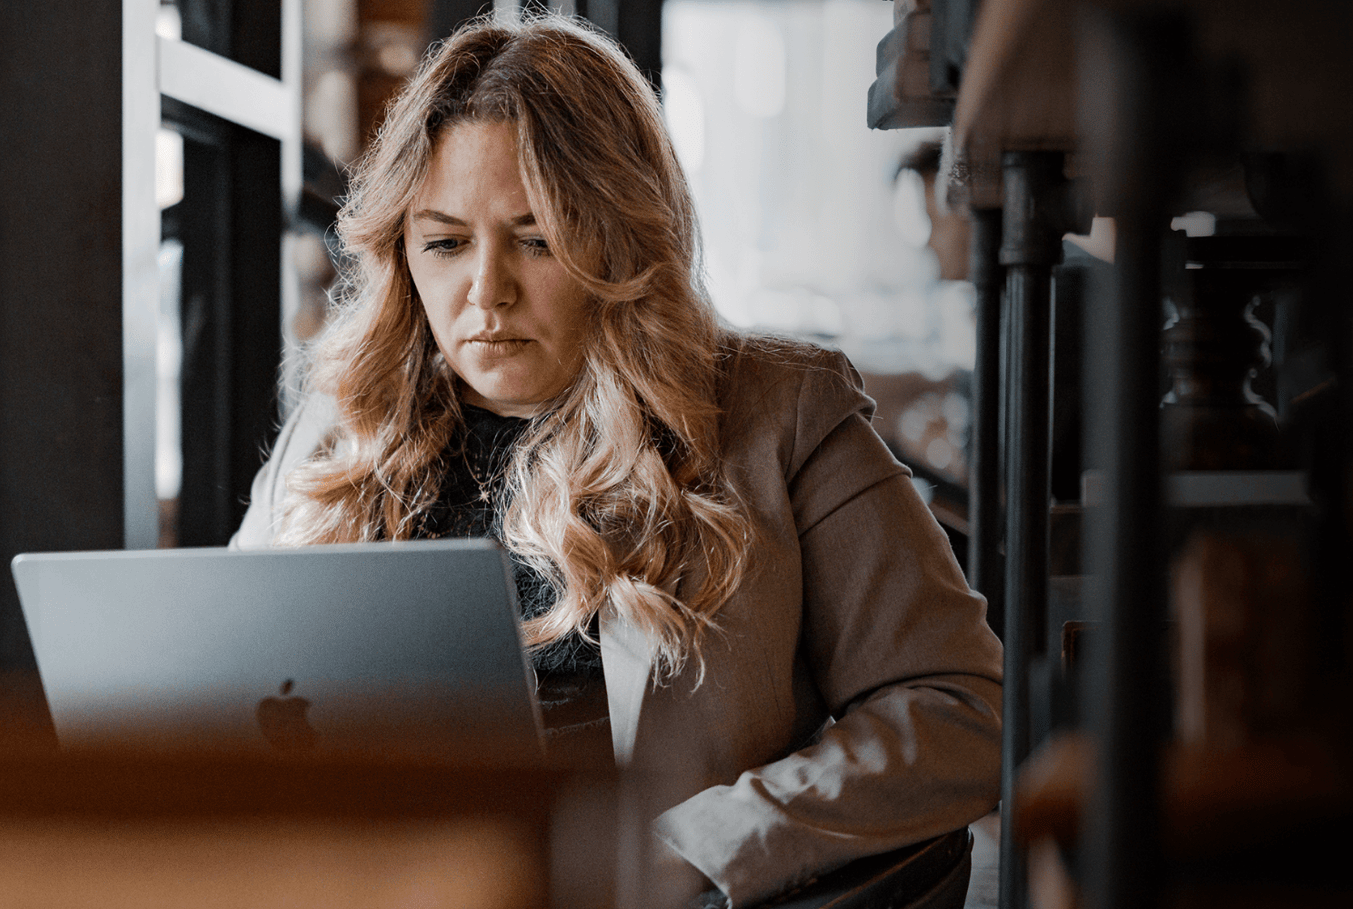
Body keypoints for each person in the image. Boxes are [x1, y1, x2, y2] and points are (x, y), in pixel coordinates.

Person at [231, 14, 1002, 908]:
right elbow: (237, 699)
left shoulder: (779, 413)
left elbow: (961, 709)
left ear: (620, 238)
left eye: (537, 238)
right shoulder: (335, 427)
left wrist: (705, 847)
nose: (486, 291)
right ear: (401, 251)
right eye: (444, 242)